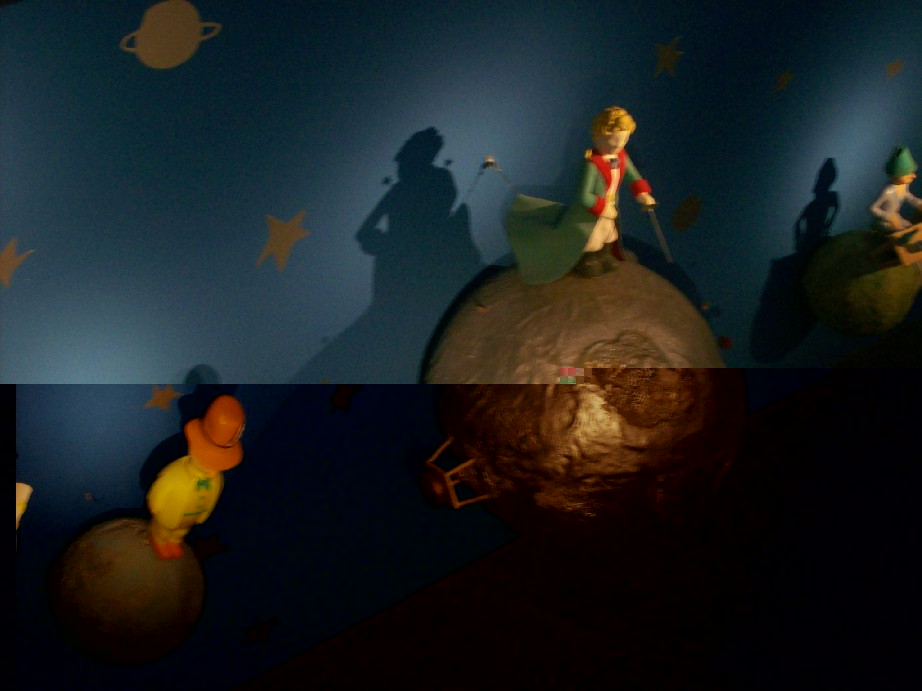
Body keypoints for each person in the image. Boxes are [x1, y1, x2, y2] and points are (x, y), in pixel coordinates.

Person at [506, 106, 656, 284]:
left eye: (624, 140)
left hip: (611, 207)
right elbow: (584, 195)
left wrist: (643, 194)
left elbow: (633, 176)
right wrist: (602, 208)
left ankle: (604, 256)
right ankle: (588, 260)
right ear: (598, 136)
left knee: (609, 233)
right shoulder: (592, 163)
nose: (618, 145)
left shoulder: (622, 156)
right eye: (613, 140)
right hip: (589, 214)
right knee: (592, 237)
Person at [147, 395, 245, 559]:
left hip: (190, 519)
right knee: (162, 531)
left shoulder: (217, 480)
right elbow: (159, 490)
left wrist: (203, 515)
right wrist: (154, 504)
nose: (214, 472)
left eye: (219, 464)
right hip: (168, 516)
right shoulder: (174, 474)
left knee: (181, 532)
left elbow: (213, 497)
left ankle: (174, 541)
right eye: (210, 462)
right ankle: (159, 540)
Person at [869, 146, 922, 252]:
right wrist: (888, 217)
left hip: (896, 217)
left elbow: (908, 195)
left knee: (910, 228)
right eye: (908, 173)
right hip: (885, 222)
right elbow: (873, 208)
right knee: (902, 235)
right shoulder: (888, 191)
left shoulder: (904, 185)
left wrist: (918, 203)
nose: (914, 176)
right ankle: (880, 252)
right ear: (896, 175)